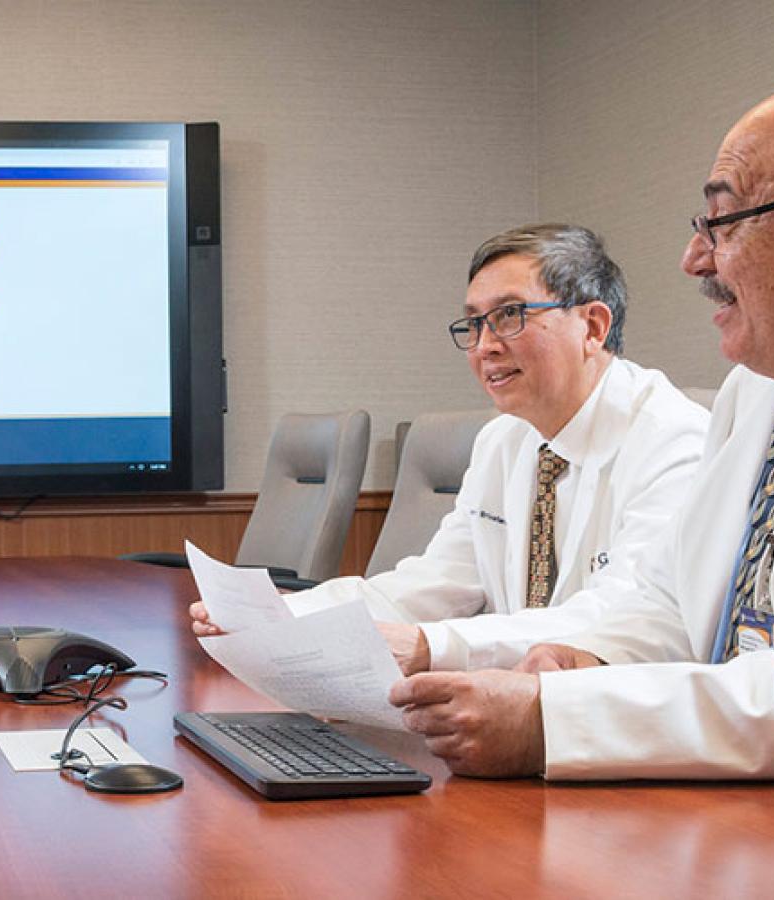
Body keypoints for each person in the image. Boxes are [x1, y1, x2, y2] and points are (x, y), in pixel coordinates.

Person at [388, 81, 774, 780]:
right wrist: (596, 657)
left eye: (723, 223)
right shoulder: (757, 393)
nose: (694, 261)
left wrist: (560, 719)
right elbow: (676, 601)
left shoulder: (677, 425)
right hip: (724, 804)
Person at [191, 224, 708, 675]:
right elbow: (433, 584)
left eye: (510, 316)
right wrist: (288, 616)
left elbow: (620, 620)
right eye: (475, 323)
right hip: (517, 708)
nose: (485, 345)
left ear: (593, 327)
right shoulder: (505, 438)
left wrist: (427, 647)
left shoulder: (675, 441)